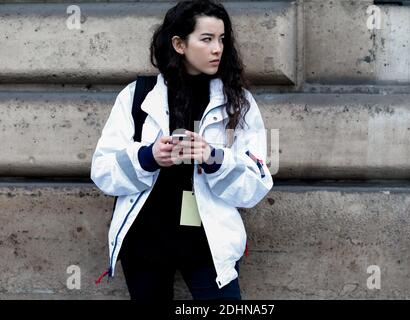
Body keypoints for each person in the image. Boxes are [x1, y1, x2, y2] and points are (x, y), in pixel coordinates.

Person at [90, 0, 273, 301]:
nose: (218, 49)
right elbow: (102, 171)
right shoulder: (137, 96)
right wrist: (148, 157)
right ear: (179, 44)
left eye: (222, 39)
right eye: (207, 39)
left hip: (209, 244)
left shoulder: (238, 103)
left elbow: (257, 183)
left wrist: (212, 157)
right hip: (145, 242)